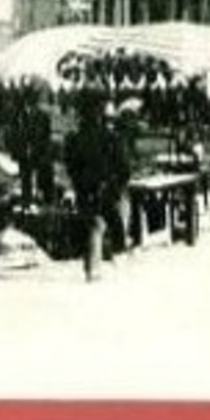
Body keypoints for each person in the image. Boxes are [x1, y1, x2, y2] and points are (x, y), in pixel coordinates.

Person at [63, 92, 132, 282]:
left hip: (85, 189)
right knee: (110, 222)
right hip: (107, 188)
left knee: (91, 225)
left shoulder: (74, 138)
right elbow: (124, 168)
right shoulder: (112, 138)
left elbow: (70, 165)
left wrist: (78, 183)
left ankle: (92, 267)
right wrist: (116, 185)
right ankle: (115, 260)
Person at [11, 88, 56, 210]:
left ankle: (41, 201)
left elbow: (46, 135)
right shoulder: (18, 115)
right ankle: (26, 201)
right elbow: (15, 133)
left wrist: (41, 148)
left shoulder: (43, 116)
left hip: (37, 151)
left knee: (41, 176)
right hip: (24, 151)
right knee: (26, 178)